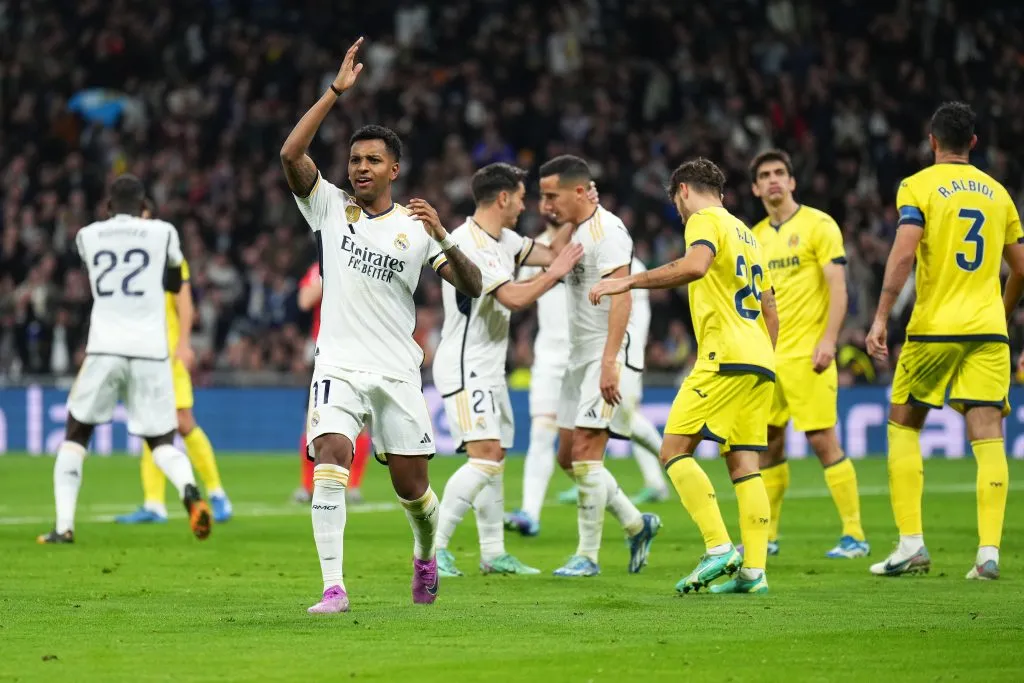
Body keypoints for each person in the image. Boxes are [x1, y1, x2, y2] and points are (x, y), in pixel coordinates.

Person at [280, 38, 482, 613]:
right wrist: (334, 93)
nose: (361, 168)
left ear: (394, 169)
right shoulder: (328, 206)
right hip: (338, 365)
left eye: (372, 161)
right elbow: (291, 153)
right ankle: (333, 587)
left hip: (396, 370)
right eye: (355, 160)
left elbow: (470, 287)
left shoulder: (418, 227)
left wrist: (444, 236)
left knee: (412, 491)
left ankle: (425, 556)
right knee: (331, 456)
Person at [591, 157, 778, 595]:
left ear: (684, 191)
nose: (678, 210)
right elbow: (770, 306)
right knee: (744, 462)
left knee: (673, 448)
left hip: (724, 356)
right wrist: (764, 355)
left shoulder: (704, 220)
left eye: (676, 201)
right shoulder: (749, 234)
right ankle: (754, 571)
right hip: (760, 360)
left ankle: (718, 548)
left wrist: (630, 282)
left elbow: (694, 267)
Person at [866, 101, 1022, 580]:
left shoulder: (918, 185)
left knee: (903, 423)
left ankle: (911, 544)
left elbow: (903, 253)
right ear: (973, 142)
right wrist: (1002, 308)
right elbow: (1021, 268)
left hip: (935, 326)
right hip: (988, 330)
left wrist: (880, 316)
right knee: (988, 433)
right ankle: (988, 552)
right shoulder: (999, 194)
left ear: (932, 141)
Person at [38, 175, 211, 544]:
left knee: (76, 433)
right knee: (162, 440)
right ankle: (190, 492)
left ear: (109, 206)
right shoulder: (163, 232)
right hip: (150, 349)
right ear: (144, 203)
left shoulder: (87, 235)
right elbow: (174, 282)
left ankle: (64, 526)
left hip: (104, 345)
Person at [432, 162, 583, 577]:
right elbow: (514, 297)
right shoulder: (468, 241)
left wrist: (574, 216)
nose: (524, 205)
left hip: (490, 367)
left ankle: (493, 553)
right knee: (485, 458)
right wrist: (554, 273)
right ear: (502, 198)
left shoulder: (506, 239)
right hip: (467, 366)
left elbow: (551, 253)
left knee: (494, 457)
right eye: (520, 197)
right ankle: (432, 550)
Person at [537, 155, 661, 578]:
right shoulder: (575, 229)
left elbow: (622, 296)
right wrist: (552, 219)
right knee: (568, 458)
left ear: (578, 191)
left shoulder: (608, 231)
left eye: (551, 195)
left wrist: (610, 363)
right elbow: (547, 257)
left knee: (588, 456)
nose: (546, 203)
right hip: (578, 356)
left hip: (605, 354)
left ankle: (587, 556)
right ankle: (636, 523)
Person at [748, 149, 868, 559]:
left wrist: (829, 340)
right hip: (769, 357)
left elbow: (838, 287)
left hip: (809, 352)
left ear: (793, 181)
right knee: (769, 444)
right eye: (765, 175)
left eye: (780, 172)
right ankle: (770, 535)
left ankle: (854, 534)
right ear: (755, 187)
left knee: (822, 440)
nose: (773, 180)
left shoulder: (819, 225)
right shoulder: (755, 236)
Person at [115, 202, 232, 524]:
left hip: (167, 354)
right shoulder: (123, 263)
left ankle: (217, 492)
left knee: (182, 420)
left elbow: (185, 304)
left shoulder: (167, 256)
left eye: (144, 218)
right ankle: (153, 504)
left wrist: (183, 344)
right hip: (138, 355)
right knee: (147, 427)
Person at [295, 262, 371, 505]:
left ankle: (354, 486)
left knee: (360, 422)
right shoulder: (321, 266)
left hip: (359, 350)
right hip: (324, 354)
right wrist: (332, 274)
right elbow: (305, 301)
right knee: (313, 420)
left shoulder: (362, 260)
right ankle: (307, 487)